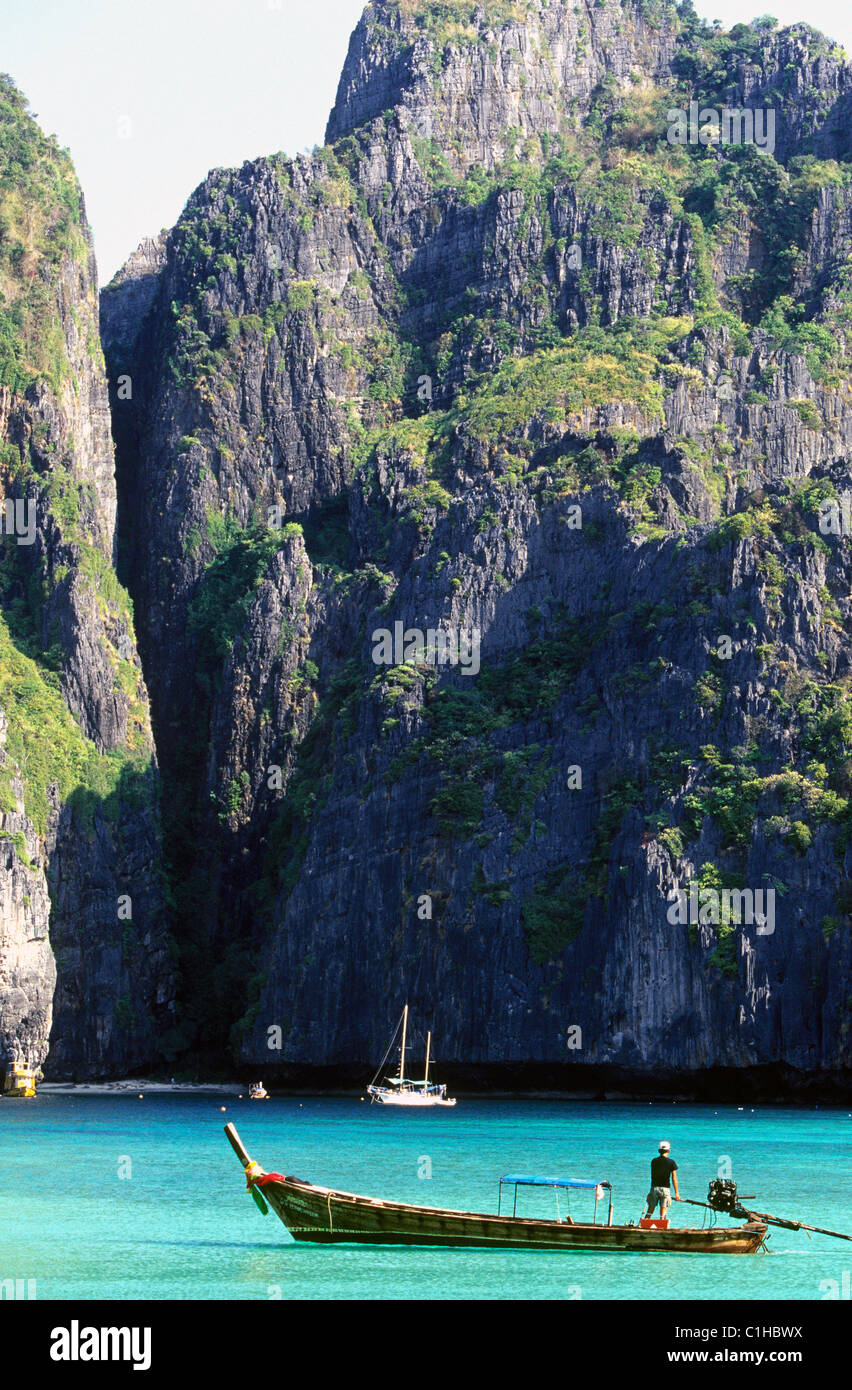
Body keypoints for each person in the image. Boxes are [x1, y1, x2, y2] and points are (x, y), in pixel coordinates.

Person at [644, 1140, 679, 1219]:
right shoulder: (671, 1162)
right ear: (668, 1150)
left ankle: (642, 1225)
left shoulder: (654, 1161)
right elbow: (674, 1178)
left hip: (654, 1188)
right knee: (663, 1213)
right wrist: (676, 1193)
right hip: (665, 1189)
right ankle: (662, 1228)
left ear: (659, 1151)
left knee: (650, 1210)